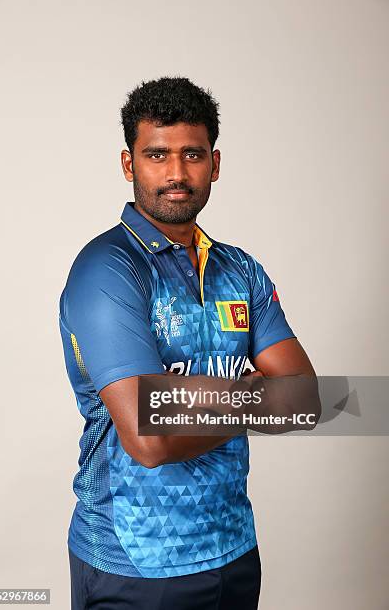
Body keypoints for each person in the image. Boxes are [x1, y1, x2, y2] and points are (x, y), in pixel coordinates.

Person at [59, 76, 316, 609]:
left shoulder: (238, 269)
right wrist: (251, 398)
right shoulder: (107, 270)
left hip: (234, 550)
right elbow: (148, 441)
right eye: (157, 154)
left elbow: (306, 400)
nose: (176, 173)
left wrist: (183, 402)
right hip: (135, 563)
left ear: (214, 164)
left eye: (192, 154)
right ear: (130, 165)